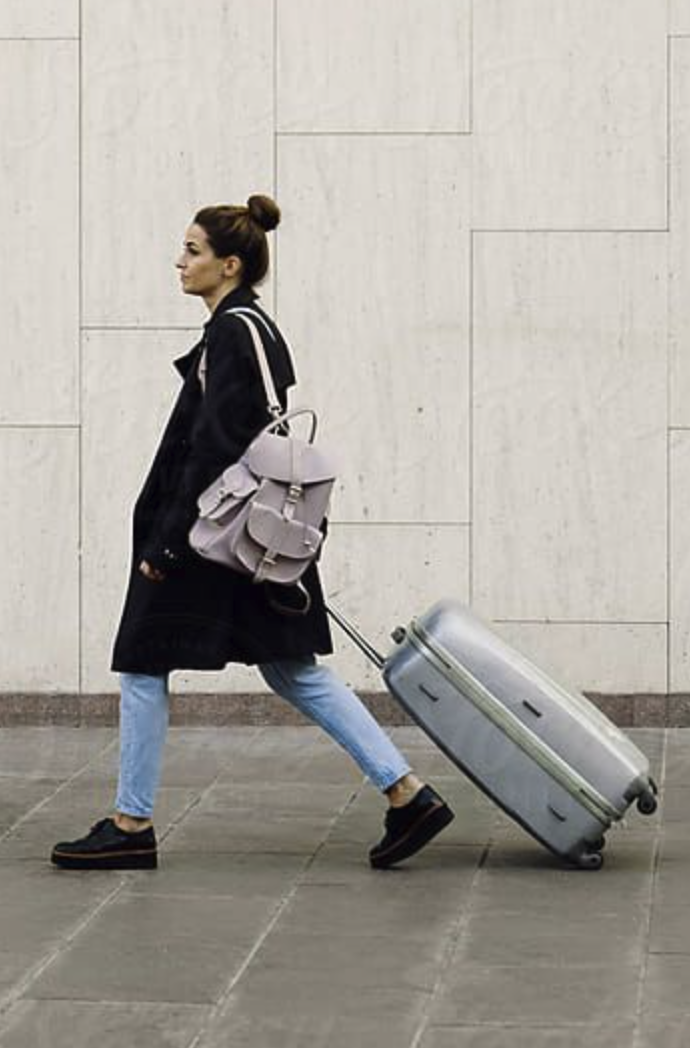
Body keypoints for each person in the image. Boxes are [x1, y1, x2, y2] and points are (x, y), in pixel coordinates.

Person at [52, 194, 454, 872]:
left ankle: (131, 823)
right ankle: (406, 793)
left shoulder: (234, 332)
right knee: (293, 671)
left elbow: (214, 447)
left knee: (144, 663)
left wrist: (168, 544)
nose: (179, 261)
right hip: (247, 540)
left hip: (210, 541)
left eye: (193, 251)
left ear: (229, 264)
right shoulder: (249, 328)